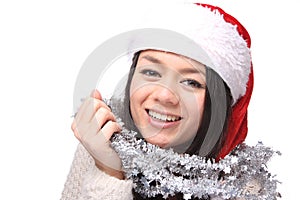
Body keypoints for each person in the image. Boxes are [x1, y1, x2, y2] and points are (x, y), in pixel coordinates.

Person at [61, 3, 279, 200]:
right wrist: (108, 170)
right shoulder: (101, 145)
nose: (164, 96)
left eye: (191, 82)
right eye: (150, 72)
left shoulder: (243, 187)